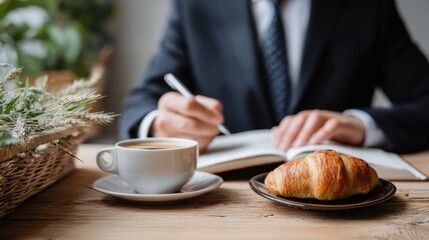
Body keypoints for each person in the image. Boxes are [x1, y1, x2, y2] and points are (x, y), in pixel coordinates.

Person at [120, 0, 429, 154]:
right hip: (224, 201)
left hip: (340, 206)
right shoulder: (196, 5)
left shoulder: (367, 6)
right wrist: (161, 125)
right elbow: (139, 104)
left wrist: (362, 125)